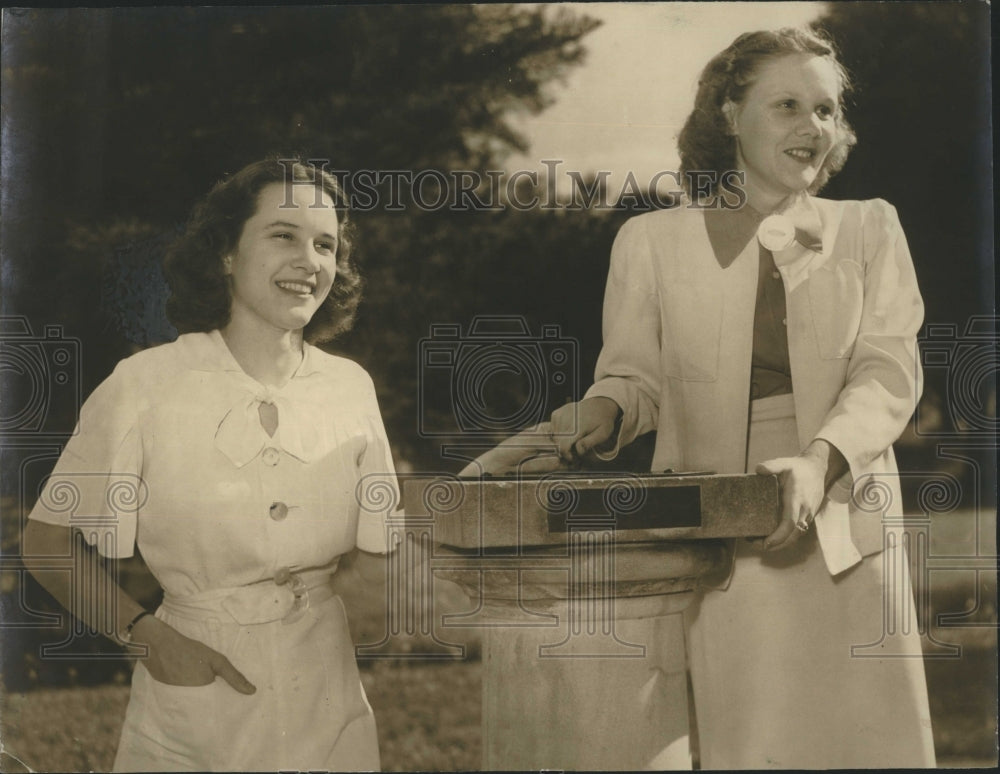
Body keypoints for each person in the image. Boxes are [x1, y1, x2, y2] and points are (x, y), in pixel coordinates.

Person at [541, 28, 936, 769]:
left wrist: (819, 465)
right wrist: (605, 413)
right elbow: (634, 378)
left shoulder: (870, 228)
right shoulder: (651, 242)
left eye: (825, 109)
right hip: (720, 539)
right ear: (728, 114)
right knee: (750, 743)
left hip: (847, 525)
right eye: (786, 104)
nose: (811, 127)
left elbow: (888, 374)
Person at [22, 158, 401, 771]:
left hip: (326, 689)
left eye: (326, 244)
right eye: (284, 235)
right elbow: (45, 543)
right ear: (225, 252)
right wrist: (150, 638)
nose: (311, 261)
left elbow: (382, 551)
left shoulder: (349, 388)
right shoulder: (146, 385)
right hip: (196, 684)